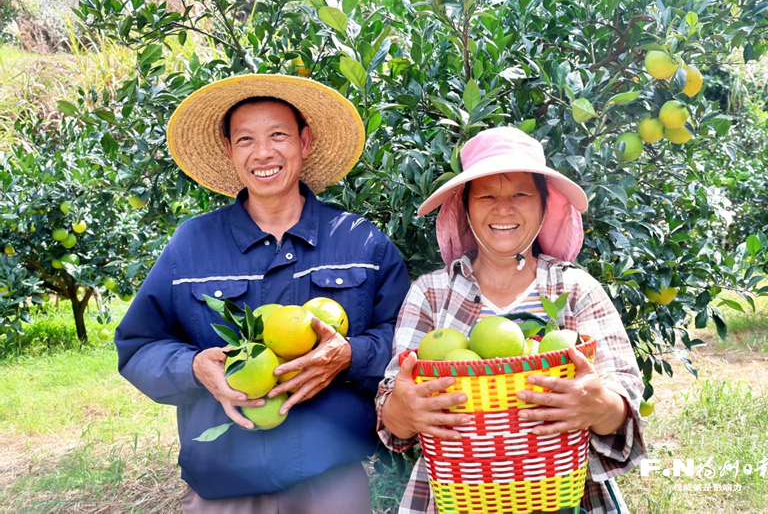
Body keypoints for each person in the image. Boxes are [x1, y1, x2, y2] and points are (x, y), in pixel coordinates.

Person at [115, 74, 411, 513]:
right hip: (224, 485)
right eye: (246, 139)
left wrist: (349, 354)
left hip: (330, 479)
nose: (264, 152)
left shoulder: (361, 244)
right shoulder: (191, 246)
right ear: (229, 151)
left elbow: (406, 342)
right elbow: (138, 346)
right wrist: (194, 367)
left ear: (305, 142)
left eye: (278, 135)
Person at [376, 127, 646, 514]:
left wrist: (599, 405)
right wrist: (405, 410)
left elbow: (624, 396)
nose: (503, 208)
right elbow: (394, 413)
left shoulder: (575, 288)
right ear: (466, 209)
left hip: (563, 494)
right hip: (455, 498)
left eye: (520, 193)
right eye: (487, 195)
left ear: (543, 206)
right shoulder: (431, 293)